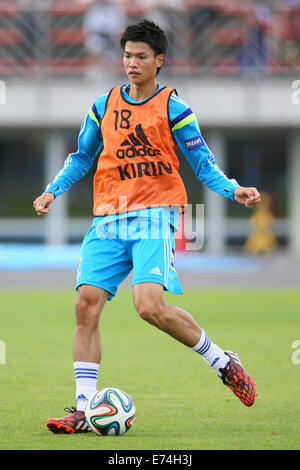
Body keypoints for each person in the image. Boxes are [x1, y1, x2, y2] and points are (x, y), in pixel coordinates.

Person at [33, 19, 261, 434]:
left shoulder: (174, 107)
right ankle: (84, 410)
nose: (132, 63)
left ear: (159, 60)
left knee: (148, 307)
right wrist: (53, 190)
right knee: (85, 304)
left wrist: (232, 190)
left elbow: (202, 165)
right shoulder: (102, 106)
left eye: (141, 56)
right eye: (127, 55)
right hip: (108, 218)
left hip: (155, 215)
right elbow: (81, 157)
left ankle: (223, 361)